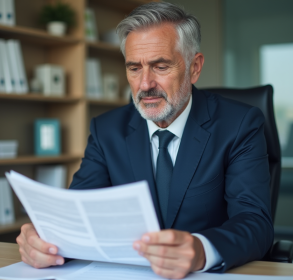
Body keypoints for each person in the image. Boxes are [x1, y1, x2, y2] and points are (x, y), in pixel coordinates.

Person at [16, 2, 273, 279]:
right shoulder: (107, 131)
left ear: (194, 67)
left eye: (160, 66)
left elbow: (255, 223)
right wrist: (44, 237)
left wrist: (200, 250)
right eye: (134, 68)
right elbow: (76, 215)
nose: (145, 84)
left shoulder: (239, 124)